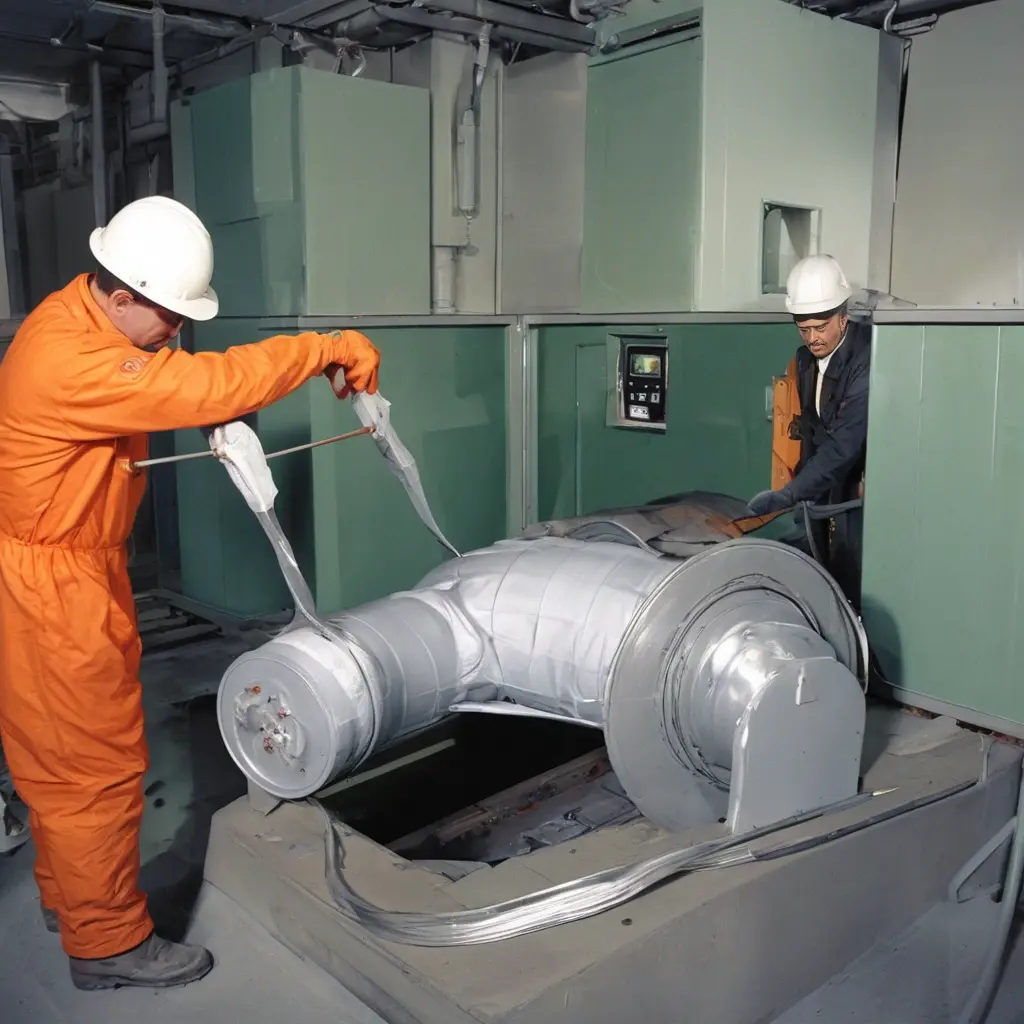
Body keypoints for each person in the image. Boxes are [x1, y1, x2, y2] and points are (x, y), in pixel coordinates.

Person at [0, 196, 381, 992]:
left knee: (53, 759)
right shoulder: (71, 359)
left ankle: (73, 901)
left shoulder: (74, 319)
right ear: (121, 296)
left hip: (47, 570)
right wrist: (326, 347)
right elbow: (214, 383)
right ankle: (106, 944)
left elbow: (175, 385)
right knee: (94, 765)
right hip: (55, 590)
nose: (175, 332)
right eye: (169, 316)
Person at [745, 254, 870, 603]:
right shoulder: (804, 362)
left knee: (853, 583)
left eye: (821, 327)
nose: (813, 338)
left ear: (843, 317)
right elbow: (813, 435)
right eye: (804, 329)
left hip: (859, 494)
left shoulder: (867, 359)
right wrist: (798, 492)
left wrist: (790, 493)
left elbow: (844, 446)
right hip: (824, 491)